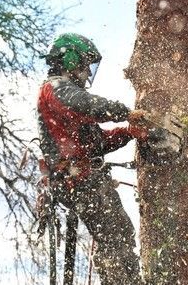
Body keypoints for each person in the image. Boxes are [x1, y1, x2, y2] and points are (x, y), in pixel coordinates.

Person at [36, 33, 147, 284]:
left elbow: (96, 143)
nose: (87, 73)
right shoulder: (55, 88)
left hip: (83, 178)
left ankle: (122, 280)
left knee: (118, 232)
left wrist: (128, 132)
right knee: (115, 233)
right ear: (71, 60)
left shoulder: (67, 99)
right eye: (85, 65)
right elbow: (86, 104)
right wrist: (125, 113)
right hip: (77, 180)